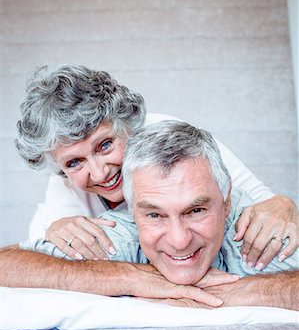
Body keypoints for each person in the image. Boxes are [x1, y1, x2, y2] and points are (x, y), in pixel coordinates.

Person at [15, 65, 298, 271]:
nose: (100, 173)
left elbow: (261, 203)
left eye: (105, 145)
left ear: (126, 125)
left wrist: (283, 204)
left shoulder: (174, 139)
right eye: (74, 162)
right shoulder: (63, 186)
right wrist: (55, 228)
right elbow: (50, 267)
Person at [7, 121, 298, 310]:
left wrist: (237, 294)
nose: (179, 240)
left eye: (196, 211)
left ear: (226, 202)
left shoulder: (258, 233)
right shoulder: (114, 233)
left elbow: (265, 201)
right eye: (155, 216)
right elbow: (7, 264)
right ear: (131, 210)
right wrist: (133, 277)